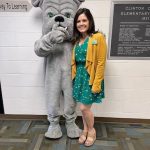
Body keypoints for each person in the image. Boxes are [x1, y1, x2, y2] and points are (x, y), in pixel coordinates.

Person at [71, 8, 107, 146]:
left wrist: (97, 84)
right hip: (79, 77)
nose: (81, 23)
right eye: (78, 21)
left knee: (84, 109)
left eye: (84, 20)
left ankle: (91, 131)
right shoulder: (77, 40)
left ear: (90, 21)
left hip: (91, 78)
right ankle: (85, 130)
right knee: (84, 107)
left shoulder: (97, 37)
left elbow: (101, 62)